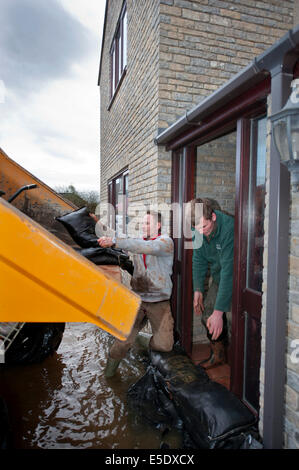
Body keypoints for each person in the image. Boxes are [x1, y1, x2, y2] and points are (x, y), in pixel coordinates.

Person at [97, 210, 174, 377]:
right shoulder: (138, 241)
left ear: (158, 225)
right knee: (122, 343)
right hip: (137, 300)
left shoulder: (165, 242)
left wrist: (116, 241)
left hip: (159, 302)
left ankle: (140, 340)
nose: (143, 226)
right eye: (142, 223)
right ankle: (108, 375)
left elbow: (146, 247)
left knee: (165, 345)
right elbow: (133, 247)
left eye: (147, 223)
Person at [190, 198, 234, 369]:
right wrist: (198, 290)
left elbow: (229, 272)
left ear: (213, 217)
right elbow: (198, 260)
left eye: (204, 227)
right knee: (207, 314)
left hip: (239, 278)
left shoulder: (229, 228)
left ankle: (244, 366)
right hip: (218, 276)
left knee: (230, 320)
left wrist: (219, 312)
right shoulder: (197, 229)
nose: (201, 233)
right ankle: (218, 356)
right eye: (197, 229)